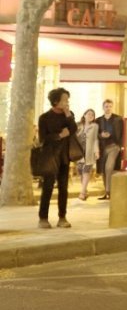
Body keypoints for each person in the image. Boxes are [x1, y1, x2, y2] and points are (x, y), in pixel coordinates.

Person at [36, 88, 77, 228]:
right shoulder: (44, 118)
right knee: (47, 187)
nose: (67, 102)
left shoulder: (69, 115)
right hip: (50, 157)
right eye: (64, 99)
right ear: (55, 101)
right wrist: (59, 136)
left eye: (67, 99)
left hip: (64, 157)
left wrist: (68, 116)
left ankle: (62, 217)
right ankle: (43, 218)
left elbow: (73, 130)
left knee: (63, 188)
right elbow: (42, 138)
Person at [96, 98, 124, 200]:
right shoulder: (99, 120)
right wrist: (101, 135)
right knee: (104, 170)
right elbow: (96, 134)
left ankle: (109, 192)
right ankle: (107, 192)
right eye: (106, 106)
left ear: (112, 107)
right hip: (102, 147)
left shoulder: (118, 119)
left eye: (110, 106)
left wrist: (120, 146)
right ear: (103, 107)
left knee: (109, 167)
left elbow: (122, 133)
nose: (108, 108)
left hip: (114, 146)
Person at [75, 108, 99, 201]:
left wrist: (96, 151)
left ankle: (82, 193)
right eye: (88, 114)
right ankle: (85, 191)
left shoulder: (95, 126)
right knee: (81, 171)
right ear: (84, 115)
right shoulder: (78, 125)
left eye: (92, 115)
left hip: (89, 152)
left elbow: (95, 139)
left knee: (86, 171)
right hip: (79, 152)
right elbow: (75, 137)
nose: (90, 116)